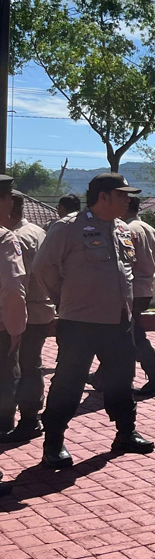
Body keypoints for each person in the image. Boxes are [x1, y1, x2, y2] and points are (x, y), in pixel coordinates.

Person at [34, 173, 152, 468]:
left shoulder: (123, 229)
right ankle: (54, 442)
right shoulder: (67, 227)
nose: (128, 200)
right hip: (80, 322)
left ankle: (125, 433)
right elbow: (44, 268)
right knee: (69, 383)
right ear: (103, 197)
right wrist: (64, 298)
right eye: (122, 195)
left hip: (118, 321)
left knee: (122, 380)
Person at [0, 193, 54, 443]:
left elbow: (15, 286)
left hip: (25, 311)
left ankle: (26, 419)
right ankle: (28, 417)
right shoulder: (38, 232)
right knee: (31, 364)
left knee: (22, 367)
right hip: (39, 307)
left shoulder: (16, 237)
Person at [124, 196, 155, 398]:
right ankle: (102, 376)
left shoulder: (126, 230)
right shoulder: (150, 229)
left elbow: (126, 262)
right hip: (146, 287)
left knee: (134, 336)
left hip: (131, 289)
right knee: (126, 334)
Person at [0, 179, 28, 453]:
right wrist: (16, 328)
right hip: (1, 330)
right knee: (5, 383)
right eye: (9, 197)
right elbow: (11, 288)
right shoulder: (6, 238)